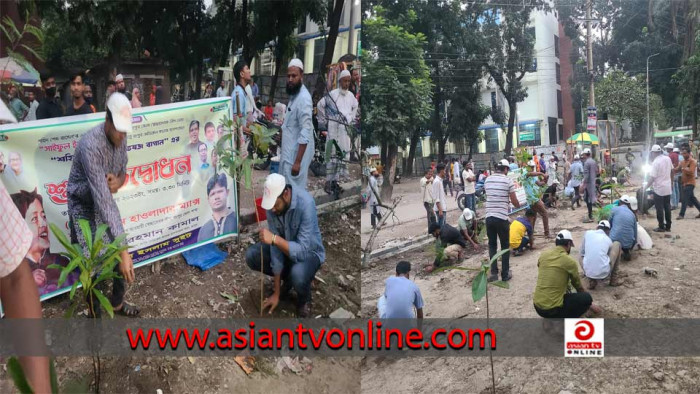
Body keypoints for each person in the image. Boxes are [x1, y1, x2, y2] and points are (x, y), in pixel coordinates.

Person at [67, 92, 138, 317]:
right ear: (107, 120)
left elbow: (122, 171)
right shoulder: (91, 145)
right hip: (83, 206)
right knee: (91, 265)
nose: (122, 135)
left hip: (102, 201)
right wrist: (124, 250)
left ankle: (116, 303)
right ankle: (94, 313)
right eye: (119, 129)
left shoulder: (121, 137)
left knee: (116, 256)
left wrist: (119, 181)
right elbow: (104, 202)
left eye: (125, 130)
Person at [245, 173, 325, 317]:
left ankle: (304, 300)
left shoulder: (305, 204)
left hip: (309, 253)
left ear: (286, 194)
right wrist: (276, 293)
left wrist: (274, 239)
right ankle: (287, 283)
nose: (273, 210)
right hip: (285, 251)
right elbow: (275, 251)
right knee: (252, 255)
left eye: (276, 205)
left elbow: (301, 251)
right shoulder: (272, 208)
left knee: (299, 274)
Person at [0, 180, 51, 394]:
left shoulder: (55, 263)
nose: (41, 225)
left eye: (43, 217)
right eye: (33, 218)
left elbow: (15, 279)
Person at [11, 188, 76, 296]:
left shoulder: (62, 262)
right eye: (34, 219)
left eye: (43, 216)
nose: (43, 223)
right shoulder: (13, 268)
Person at [533, 230, 601, 318]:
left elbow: (541, 268)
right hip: (552, 310)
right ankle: (563, 322)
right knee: (586, 298)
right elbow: (578, 287)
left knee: (564, 290)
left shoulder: (543, 255)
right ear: (569, 244)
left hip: (537, 306)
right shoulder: (570, 262)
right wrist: (590, 304)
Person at [319, 69, 358, 184]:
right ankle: (331, 180)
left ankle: (340, 180)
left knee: (343, 153)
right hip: (333, 129)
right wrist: (324, 120)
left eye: (348, 81)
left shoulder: (351, 96)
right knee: (332, 153)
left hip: (344, 130)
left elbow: (355, 107)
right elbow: (320, 105)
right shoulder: (333, 95)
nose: (346, 84)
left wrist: (350, 118)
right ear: (340, 81)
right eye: (344, 81)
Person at [280, 59, 314, 190]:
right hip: (289, 155)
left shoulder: (304, 99)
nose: (290, 79)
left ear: (301, 76)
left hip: (295, 159)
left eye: (294, 76)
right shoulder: (294, 95)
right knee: (288, 192)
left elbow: (306, 130)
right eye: (288, 76)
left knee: (295, 193)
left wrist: (298, 162)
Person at [484, 159, 520, 282]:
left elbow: (491, 195)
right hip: (501, 218)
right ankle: (505, 274)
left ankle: (494, 273)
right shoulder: (507, 181)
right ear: (505, 169)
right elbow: (515, 202)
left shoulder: (487, 179)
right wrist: (517, 204)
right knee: (505, 246)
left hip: (489, 217)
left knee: (492, 245)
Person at [580, 220, 621, 289]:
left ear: (597, 227)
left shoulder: (588, 233)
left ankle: (591, 279)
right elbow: (607, 254)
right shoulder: (608, 239)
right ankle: (614, 279)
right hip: (604, 273)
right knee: (617, 244)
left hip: (588, 271)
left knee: (581, 255)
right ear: (608, 231)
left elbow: (582, 252)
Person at [197, 173, 237, 242]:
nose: (216, 197)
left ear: (227, 192)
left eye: (220, 191)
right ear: (208, 199)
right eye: (212, 194)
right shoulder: (203, 230)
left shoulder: (236, 219)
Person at [522, 160, 550, 237]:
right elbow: (530, 174)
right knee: (544, 213)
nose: (531, 168)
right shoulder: (525, 173)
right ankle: (546, 233)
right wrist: (541, 173)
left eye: (532, 167)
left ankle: (530, 234)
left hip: (534, 198)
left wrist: (546, 179)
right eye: (530, 167)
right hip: (533, 199)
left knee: (533, 217)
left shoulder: (533, 177)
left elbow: (540, 184)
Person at [649, 144, 673, 232]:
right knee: (667, 207)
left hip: (659, 189)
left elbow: (652, 178)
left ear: (654, 153)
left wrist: (646, 186)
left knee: (659, 208)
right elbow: (671, 171)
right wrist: (671, 183)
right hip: (667, 187)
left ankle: (661, 226)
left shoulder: (655, 162)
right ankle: (668, 226)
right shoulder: (667, 158)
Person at [609, 195, 637, 261]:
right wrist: (632, 245)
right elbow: (635, 233)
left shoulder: (614, 209)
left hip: (614, 240)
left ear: (619, 202)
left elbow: (609, 224)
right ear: (629, 205)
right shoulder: (632, 214)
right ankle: (626, 252)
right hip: (628, 243)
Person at [677, 147, 700, 219]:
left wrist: (684, 169)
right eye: (682, 153)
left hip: (690, 183)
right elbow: (677, 169)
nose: (683, 155)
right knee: (693, 199)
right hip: (684, 183)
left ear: (689, 154)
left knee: (684, 198)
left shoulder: (692, 161)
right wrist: (671, 169)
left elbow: (691, 171)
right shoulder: (682, 162)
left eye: (685, 153)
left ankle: (681, 214)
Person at [581, 148, 598, 223]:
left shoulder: (586, 163)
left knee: (588, 200)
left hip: (588, 184)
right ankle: (591, 214)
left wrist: (583, 185)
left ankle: (590, 216)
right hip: (593, 183)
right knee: (590, 199)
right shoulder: (593, 162)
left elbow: (586, 176)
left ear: (585, 155)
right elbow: (597, 171)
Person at [432, 163, 448, 227]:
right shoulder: (437, 181)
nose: (445, 172)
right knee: (441, 228)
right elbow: (436, 198)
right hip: (440, 209)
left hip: (443, 208)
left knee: (443, 227)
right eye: (444, 171)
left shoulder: (440, 181)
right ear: (441, 171)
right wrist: (440, 210)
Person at [667, 143, 680, 210]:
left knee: (672, 189)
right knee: (677, 189)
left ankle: (673, 204)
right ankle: (677, 203)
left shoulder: (670, 155)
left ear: (669, 149)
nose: (666, 149)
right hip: (677, 173)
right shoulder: (676, 154)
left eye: (667, 148)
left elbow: (670, 166)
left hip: (672, 173)